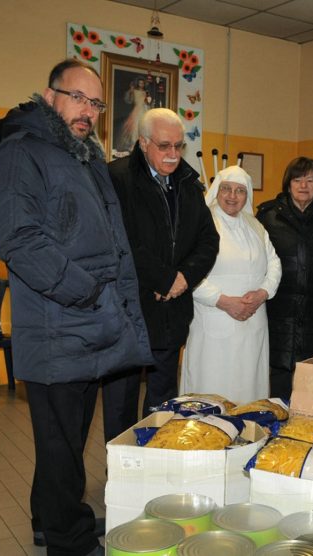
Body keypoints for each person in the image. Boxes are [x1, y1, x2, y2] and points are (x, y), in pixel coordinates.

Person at [0, 59, 152, 556]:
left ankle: (48, 519)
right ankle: (71, 542)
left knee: (66, 439)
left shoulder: (84, 156)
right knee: (61, 446)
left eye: (96, 103)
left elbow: (113, 241)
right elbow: (16, 238)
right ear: (49, 95)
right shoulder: (24, 152)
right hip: (59, 324)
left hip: (91, 324)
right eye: (78, 97)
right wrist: (83, 290)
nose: (88, 110)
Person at [102, 108, 219, 442]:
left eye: (179, 146)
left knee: (162, 399)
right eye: (164, 146)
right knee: (120, 402)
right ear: (143, 143)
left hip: (171, 311)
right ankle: (122, 468)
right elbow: (120, 240)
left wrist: (182, 279)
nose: (173, 155)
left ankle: (153, 460)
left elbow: (208, 240)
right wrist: (164, 280)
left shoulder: (188, 182)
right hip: (128, 309)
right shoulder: (117, 179)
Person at [180, 166, 282, 401]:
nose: (232, 196)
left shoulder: (256, 226)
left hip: (253, 322)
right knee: (211, 390)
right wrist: (223, 301)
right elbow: (187, 272)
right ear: (217, 191)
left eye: (240, 191)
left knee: (249, 388)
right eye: (226, 189)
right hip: (213, 320)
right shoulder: (200, 224)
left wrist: (263, 292)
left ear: (247, 196)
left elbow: (274, 262)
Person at [256, 156, 313, 400]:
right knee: (279, 377)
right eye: (298, 180)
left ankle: (305, 433)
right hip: (278, 309)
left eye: (310, 180)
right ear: (288, 184)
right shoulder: (268, 216)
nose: (304, 185)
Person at [117, 78, 149, 152]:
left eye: (142, 83)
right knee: (134, 127)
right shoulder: (135, 91)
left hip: (143, 110)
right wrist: (131, 91)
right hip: (136, 110)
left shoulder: (145, 92)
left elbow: (146, 102)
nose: (141, 84)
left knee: (143, 126)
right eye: (140, 83)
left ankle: (141, 144)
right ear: (138, 83)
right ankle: (134, 144)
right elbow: (129, 100)